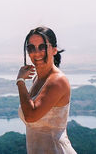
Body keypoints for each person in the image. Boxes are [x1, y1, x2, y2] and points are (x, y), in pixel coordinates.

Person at [16, 26, 77, 154]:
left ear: (54, 50)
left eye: (42, 47)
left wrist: (20, 82)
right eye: (31, 48)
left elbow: (31, 116)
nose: (36, 52)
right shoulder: (37, 79)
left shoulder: (57, 81)